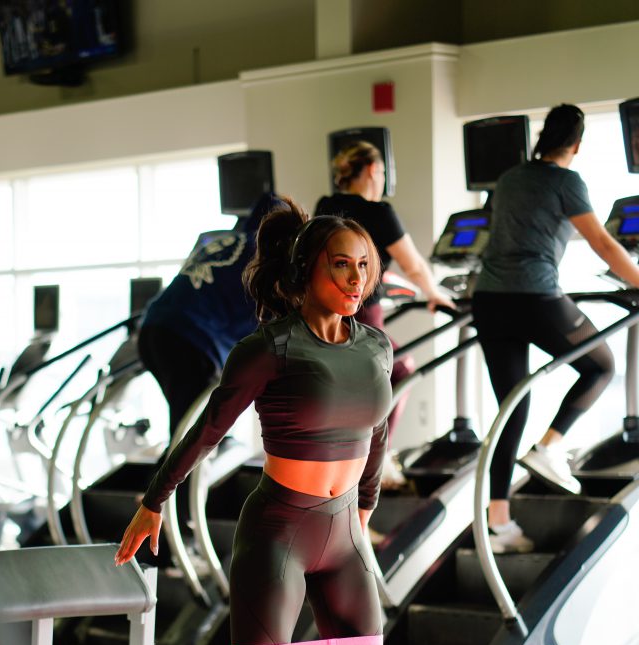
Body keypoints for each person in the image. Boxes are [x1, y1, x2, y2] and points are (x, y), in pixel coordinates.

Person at [115, 197, 426, 645]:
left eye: (365, 267)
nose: (356, 279)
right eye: (341, 266)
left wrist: (369, 501)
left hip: (341, 531)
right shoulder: (270, 348)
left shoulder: (374, 345)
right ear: (307, 270)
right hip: (280, 530)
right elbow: (207, 426)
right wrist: (154, 499)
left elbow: (380, 426)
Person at [471, 103, 639, 553]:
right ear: (577, 145)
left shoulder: (509, 178)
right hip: (533, 298)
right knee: (601, 365)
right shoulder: (567, 181)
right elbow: (602, 241)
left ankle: (500, 524)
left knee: (512, 407)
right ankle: (549, 446)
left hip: (489, 300)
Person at [136, 191, 284, 528]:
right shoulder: (263, 254)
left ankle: (157, 509)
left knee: (186, 429)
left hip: (153, 330)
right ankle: (169, 531)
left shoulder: (223, 240)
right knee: (194, 436)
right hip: (189, 340)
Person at [315, 140, 454, 485]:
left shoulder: (325, 206)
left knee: (350, 388)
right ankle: (378, 457)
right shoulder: (380, 212)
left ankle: (355, 457)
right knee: (401, 369)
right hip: (362, 316)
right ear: (374, 171)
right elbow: (415, 265)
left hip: (323, 315)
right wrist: (436, 294)